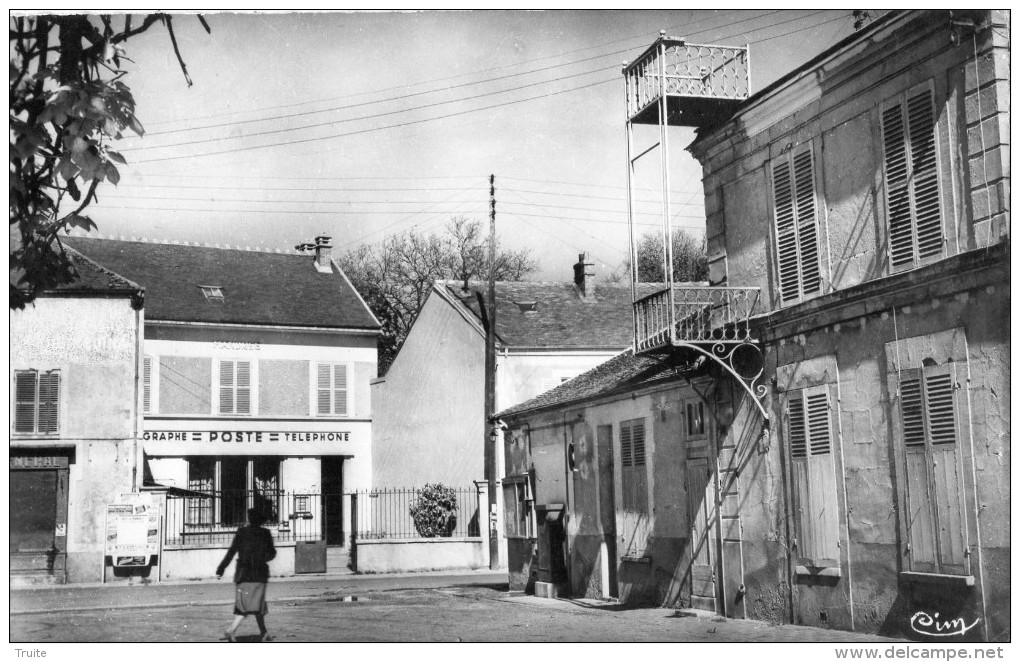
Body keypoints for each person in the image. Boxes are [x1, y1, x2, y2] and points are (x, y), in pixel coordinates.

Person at [216, 507, 277, 642]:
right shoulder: (265, 533)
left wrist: (221, 568)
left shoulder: (242, 532)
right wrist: (262, 558)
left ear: (249, 519)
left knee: (249, 605)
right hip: (259, 575)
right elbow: (272, 553)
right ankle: (231, 630)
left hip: (243, 574)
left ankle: (264, 632)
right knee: (254, 605)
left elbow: (231, 552)